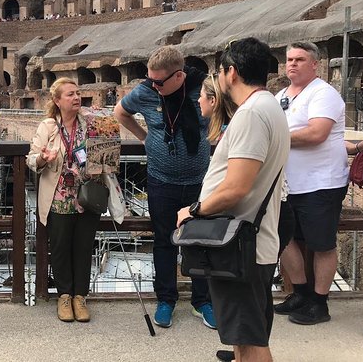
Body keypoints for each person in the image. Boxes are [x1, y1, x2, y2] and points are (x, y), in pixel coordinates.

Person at [178, 37, 289, 362]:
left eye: (221, 70)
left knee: (251, 341)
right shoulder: (268, 106)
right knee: (245, 336)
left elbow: (236, 188)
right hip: (250, 243)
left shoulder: (252, 114)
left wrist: (194, 210)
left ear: (232, 73)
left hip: (242, 247)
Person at [114, 46, 215, 329]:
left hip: (199, 181)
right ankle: (166, 299)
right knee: (163, 241)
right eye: (151, 80)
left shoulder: (204, 90)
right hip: (161, 181)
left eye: (160, 81)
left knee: (201, 240)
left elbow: (226, 115)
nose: (154, 86)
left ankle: (202, 301)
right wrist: (145, 138)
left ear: (179, 75)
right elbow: (120, 112)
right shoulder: (147, 91)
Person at [274, 41, 349, 325]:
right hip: (287, 184)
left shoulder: (323, 93)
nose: (292, 63)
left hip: (321, 183)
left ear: (315, 64)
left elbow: (317, 133)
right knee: (287, 239)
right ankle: (300, 293)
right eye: (290, 59)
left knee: (321, 244)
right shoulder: (281, 94)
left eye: (300, 59)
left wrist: (276, 137)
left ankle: (320, 303)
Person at [26, 77, 101, 323]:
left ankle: (80, 296)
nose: (77, 97)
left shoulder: (90, 123)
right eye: (70, 94)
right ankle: (64, 296)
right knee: (59, 249)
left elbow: (105, 153)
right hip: (58, 197)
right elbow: (31, 158)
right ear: (57, 101)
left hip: (85, 197)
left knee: (83, 247)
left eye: (78, 93)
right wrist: (43, 158)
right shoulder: (48, 126)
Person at [199, 73, 237, 144]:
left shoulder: (228, 134)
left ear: (212, 100)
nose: (199, 100)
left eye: (201, 95)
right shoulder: (230, 127)